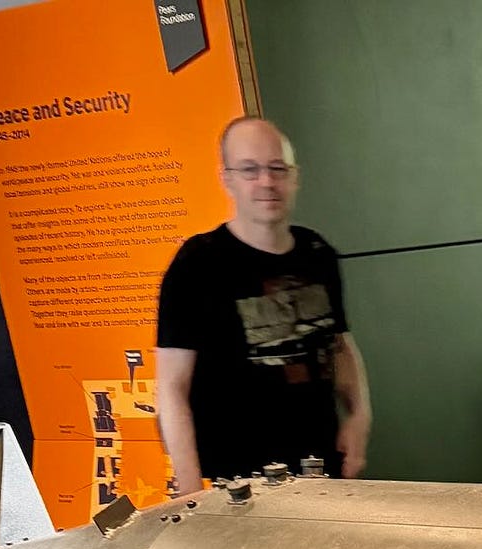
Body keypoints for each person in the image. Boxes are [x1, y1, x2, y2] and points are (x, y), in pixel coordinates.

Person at [155, 117, 370, 494]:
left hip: (323, 472)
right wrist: (190, 491)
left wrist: (359, 415)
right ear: (227, 179)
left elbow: (339, 345)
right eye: (250, 170)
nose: (267, 182)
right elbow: (172, 388)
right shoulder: (197, 265)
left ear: (294, 176)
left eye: (276, 169)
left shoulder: (317, 253)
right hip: (237, 485)